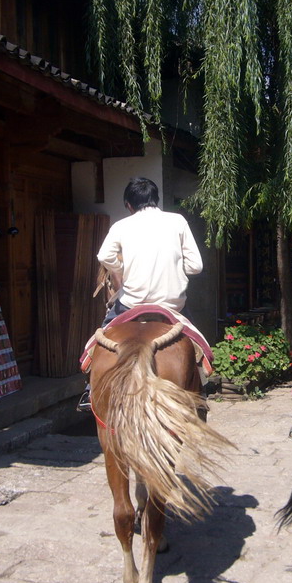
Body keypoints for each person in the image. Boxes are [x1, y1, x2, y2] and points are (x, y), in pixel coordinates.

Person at [78, 176, 203, 410]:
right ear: (156, 200)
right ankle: (201, 389)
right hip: (172, 305)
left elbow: (104, 257)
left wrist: (121, 270)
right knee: (198, 344)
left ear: (129, 205)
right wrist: (177, 269)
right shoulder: (177, 221)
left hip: (131, 305)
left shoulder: (121, 226)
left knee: (98, 340)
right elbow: (196, 266)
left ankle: (89, 391)